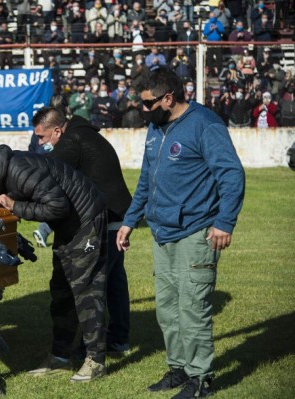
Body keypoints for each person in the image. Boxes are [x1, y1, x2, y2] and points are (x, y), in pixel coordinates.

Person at [116, 68, 245, 399]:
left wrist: (224, 222)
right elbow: (147, 177)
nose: (143, 110)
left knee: (193, 308)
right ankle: (179, 369)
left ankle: (201, 379)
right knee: (168, 309)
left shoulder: (205, 124)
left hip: (196, 232)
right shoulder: (155, 128)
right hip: (162, 233)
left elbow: (231, 175)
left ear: (167, 98)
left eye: (147, 104)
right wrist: (131, 220)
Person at [0, 145, 108, 383]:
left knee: (85, 292)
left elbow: (57, 206)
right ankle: (60, 358)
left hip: (86, 222)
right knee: (62, 291)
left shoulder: (20, 170)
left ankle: (95, 360)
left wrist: (14, 206)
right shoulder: (1, 173)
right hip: (68, 227)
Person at [32, 106, 133, 353]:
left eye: (42, 137)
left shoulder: (73, 139)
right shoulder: (84, 134)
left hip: (104, 220)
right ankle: (118, 338)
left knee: (88, 286)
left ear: (57, 131)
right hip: (116, 216)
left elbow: (45, 174)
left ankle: (85, 345)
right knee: (114, 283)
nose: (40, 142)